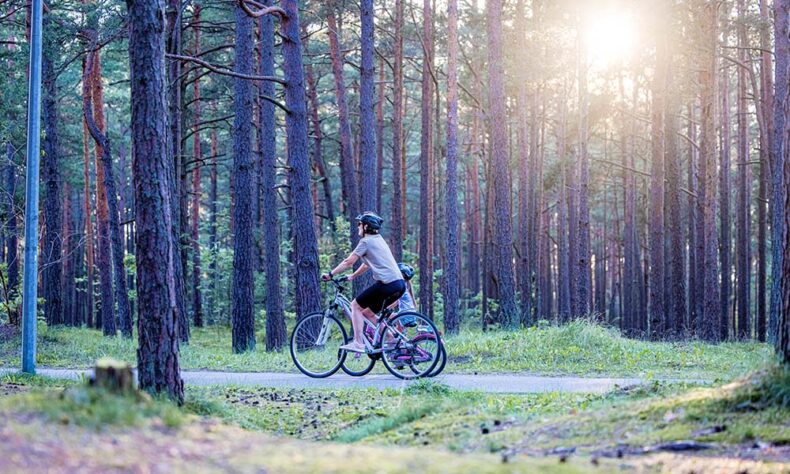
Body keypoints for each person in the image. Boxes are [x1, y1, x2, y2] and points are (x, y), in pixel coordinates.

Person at [321, 212, 405, 352]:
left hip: (387, 285)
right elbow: (366, 264)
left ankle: (358, 343)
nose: (358, 226)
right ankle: (391, 338)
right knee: (367, 313)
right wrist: (353, 276)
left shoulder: (365, 242)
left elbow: (349, 261)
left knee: (355, 306)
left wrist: (331, 274)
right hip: (399, 285)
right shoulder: (379, 240)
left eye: (360, 224)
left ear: (366, 226)